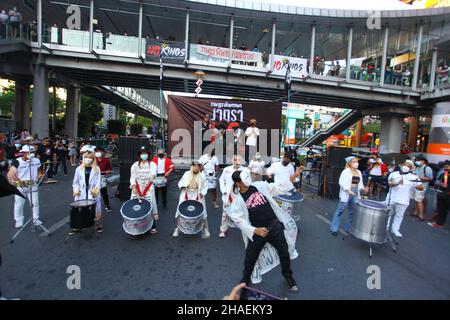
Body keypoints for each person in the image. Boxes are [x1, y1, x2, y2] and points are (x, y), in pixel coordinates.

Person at [228, 169, 301, 290]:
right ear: (238, 183)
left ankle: (288, 276)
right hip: (258, 231)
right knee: (250, 257)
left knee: (284, 252)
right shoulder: (238, 199)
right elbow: (237, 218)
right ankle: (245, 279)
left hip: (274, 226)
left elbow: (277, 187)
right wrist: (254, 230)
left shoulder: (259, 186)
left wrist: (293, 176)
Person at [7, 145, 43, 228]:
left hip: (32, 184)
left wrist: (39, 176)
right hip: (20, 184)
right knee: (19, 203)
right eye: (30, 152)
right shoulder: (17, 161)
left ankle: (35, 219)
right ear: (23, 153)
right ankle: (18, 220)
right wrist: (19, 182)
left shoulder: (36, 160)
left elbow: (39, 171)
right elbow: (11, 174)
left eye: (33, 152)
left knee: (35, 202)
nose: (32, 154)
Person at [330, 156, 367, 236]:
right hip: (347, 193)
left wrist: (363, 189)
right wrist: (348, 190)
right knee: (340, 211)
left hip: (355, 193)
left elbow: (360, 184)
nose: (356, 163)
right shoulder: (346, 171)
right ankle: (334, 228)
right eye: (354, 162)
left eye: (357, 161)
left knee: (352, 212)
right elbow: (341, 182)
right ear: (350, 163)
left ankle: (348, 228)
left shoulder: (359, 172)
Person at [386, 160, 423, 238]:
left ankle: (395, 229)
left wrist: (416, 186)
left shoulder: (414, 177)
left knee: (399, 215)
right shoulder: (393, 174)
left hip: (403, 199)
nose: (406, 167)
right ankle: (385, 227)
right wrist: (397, 183)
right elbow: (389, 184)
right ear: (402, 165)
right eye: (405, 165)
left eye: (409, 166)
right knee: (387, 213)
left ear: (410, 168)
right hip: (392, 197)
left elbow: (421, 187)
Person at [173, 160, 210, 238]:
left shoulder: (202, 176)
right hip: (186, 193)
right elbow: (180, 182)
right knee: (180, 211)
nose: (196, 168)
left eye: (198, 166)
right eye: (195, 166)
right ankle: (177, 229)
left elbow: (206, 186)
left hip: (197, 194)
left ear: (200, 167)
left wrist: (202, 193)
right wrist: (182, 186)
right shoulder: (186, 174)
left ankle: (205, 229)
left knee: (203, 211)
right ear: (192, 166)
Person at [219, 155, 250, 238]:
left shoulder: (246, 170)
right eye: (235, 160)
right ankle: (223, 230)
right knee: (225, 213)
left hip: (240, 195)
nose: (237, 162)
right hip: (228, 196)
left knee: (243, 213)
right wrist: (223, 190)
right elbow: (221, 180)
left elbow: (249, 182)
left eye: (239, 160)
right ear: (232, 161)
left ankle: (246, 231)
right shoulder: (227, 169)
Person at [71, 151, 103, 234]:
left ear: (93, 159)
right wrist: (76, 190)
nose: (88, 159)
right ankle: (78, 226)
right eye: (86, 157)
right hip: (81, 192)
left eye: (90, 158)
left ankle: (97, 225)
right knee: (80, 209)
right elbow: (75, 182)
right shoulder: (78, 169)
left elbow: (98, 182)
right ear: (83, 158)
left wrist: (95, 191)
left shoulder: (96, 169)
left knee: (94, 209)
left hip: (92, 192)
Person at [131, 147, 158, 234]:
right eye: (142, 153)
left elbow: (153, 173)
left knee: (150, 206)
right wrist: (133, 186)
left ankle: (152, 225)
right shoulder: (135, 165)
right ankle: (137, 225)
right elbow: (132, 177)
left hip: (149, 187)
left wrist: (152, 176)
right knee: (136, 206)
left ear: (149, 155)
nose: (144, 155)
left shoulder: (152, 164)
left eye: (146, 153)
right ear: (139, 155)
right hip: (137, 188)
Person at [428, 161, 449, 228]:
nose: (446, 168)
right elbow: (436, 182)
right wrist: (440, 184)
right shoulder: (443, 174)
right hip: (441, 193)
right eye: (445, 167)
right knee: (442, 209)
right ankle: (439, 223)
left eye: (448, 167)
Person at [413, 155, 434, 221]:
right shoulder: (418, 167)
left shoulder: (427, 168)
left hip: (422, 186)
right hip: (416, 185)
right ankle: (416, 212)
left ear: (423, 161)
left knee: (419, 200)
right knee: (416, 199)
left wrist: (419, 178)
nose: (417, 161)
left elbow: (430, 178)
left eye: (418, 160)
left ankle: (421, 216)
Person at [95, 147, 112, 213]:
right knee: (94, 192)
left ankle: (107, 205)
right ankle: (93, 206)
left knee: (104, 192)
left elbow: (109, 170)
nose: (98, 153)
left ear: (103, 152)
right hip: (94, 177)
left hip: (102, 177)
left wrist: (105, 172)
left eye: (100, 151)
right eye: (97, 151)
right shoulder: (93, 159)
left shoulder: (106, 160)